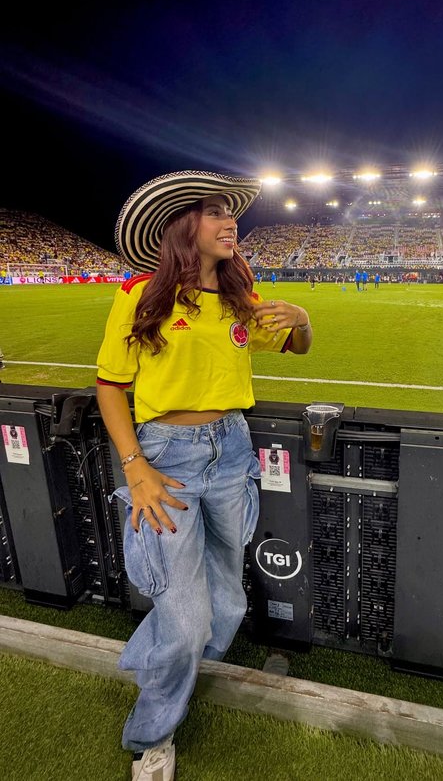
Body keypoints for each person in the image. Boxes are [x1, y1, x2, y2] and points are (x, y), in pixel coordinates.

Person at [95, 170, 313, 781]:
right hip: (167, 460)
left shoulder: (243, 294)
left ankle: (166, 658)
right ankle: (153, 738)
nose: (230, 222)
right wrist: (135, 468)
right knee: (190, 618)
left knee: (230, 603)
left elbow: (295, 345)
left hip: (233, 452)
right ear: (183, 228)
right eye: (214, 213)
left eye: (230, 213)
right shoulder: (141, 293)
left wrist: (302, 318)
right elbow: (111, 386)